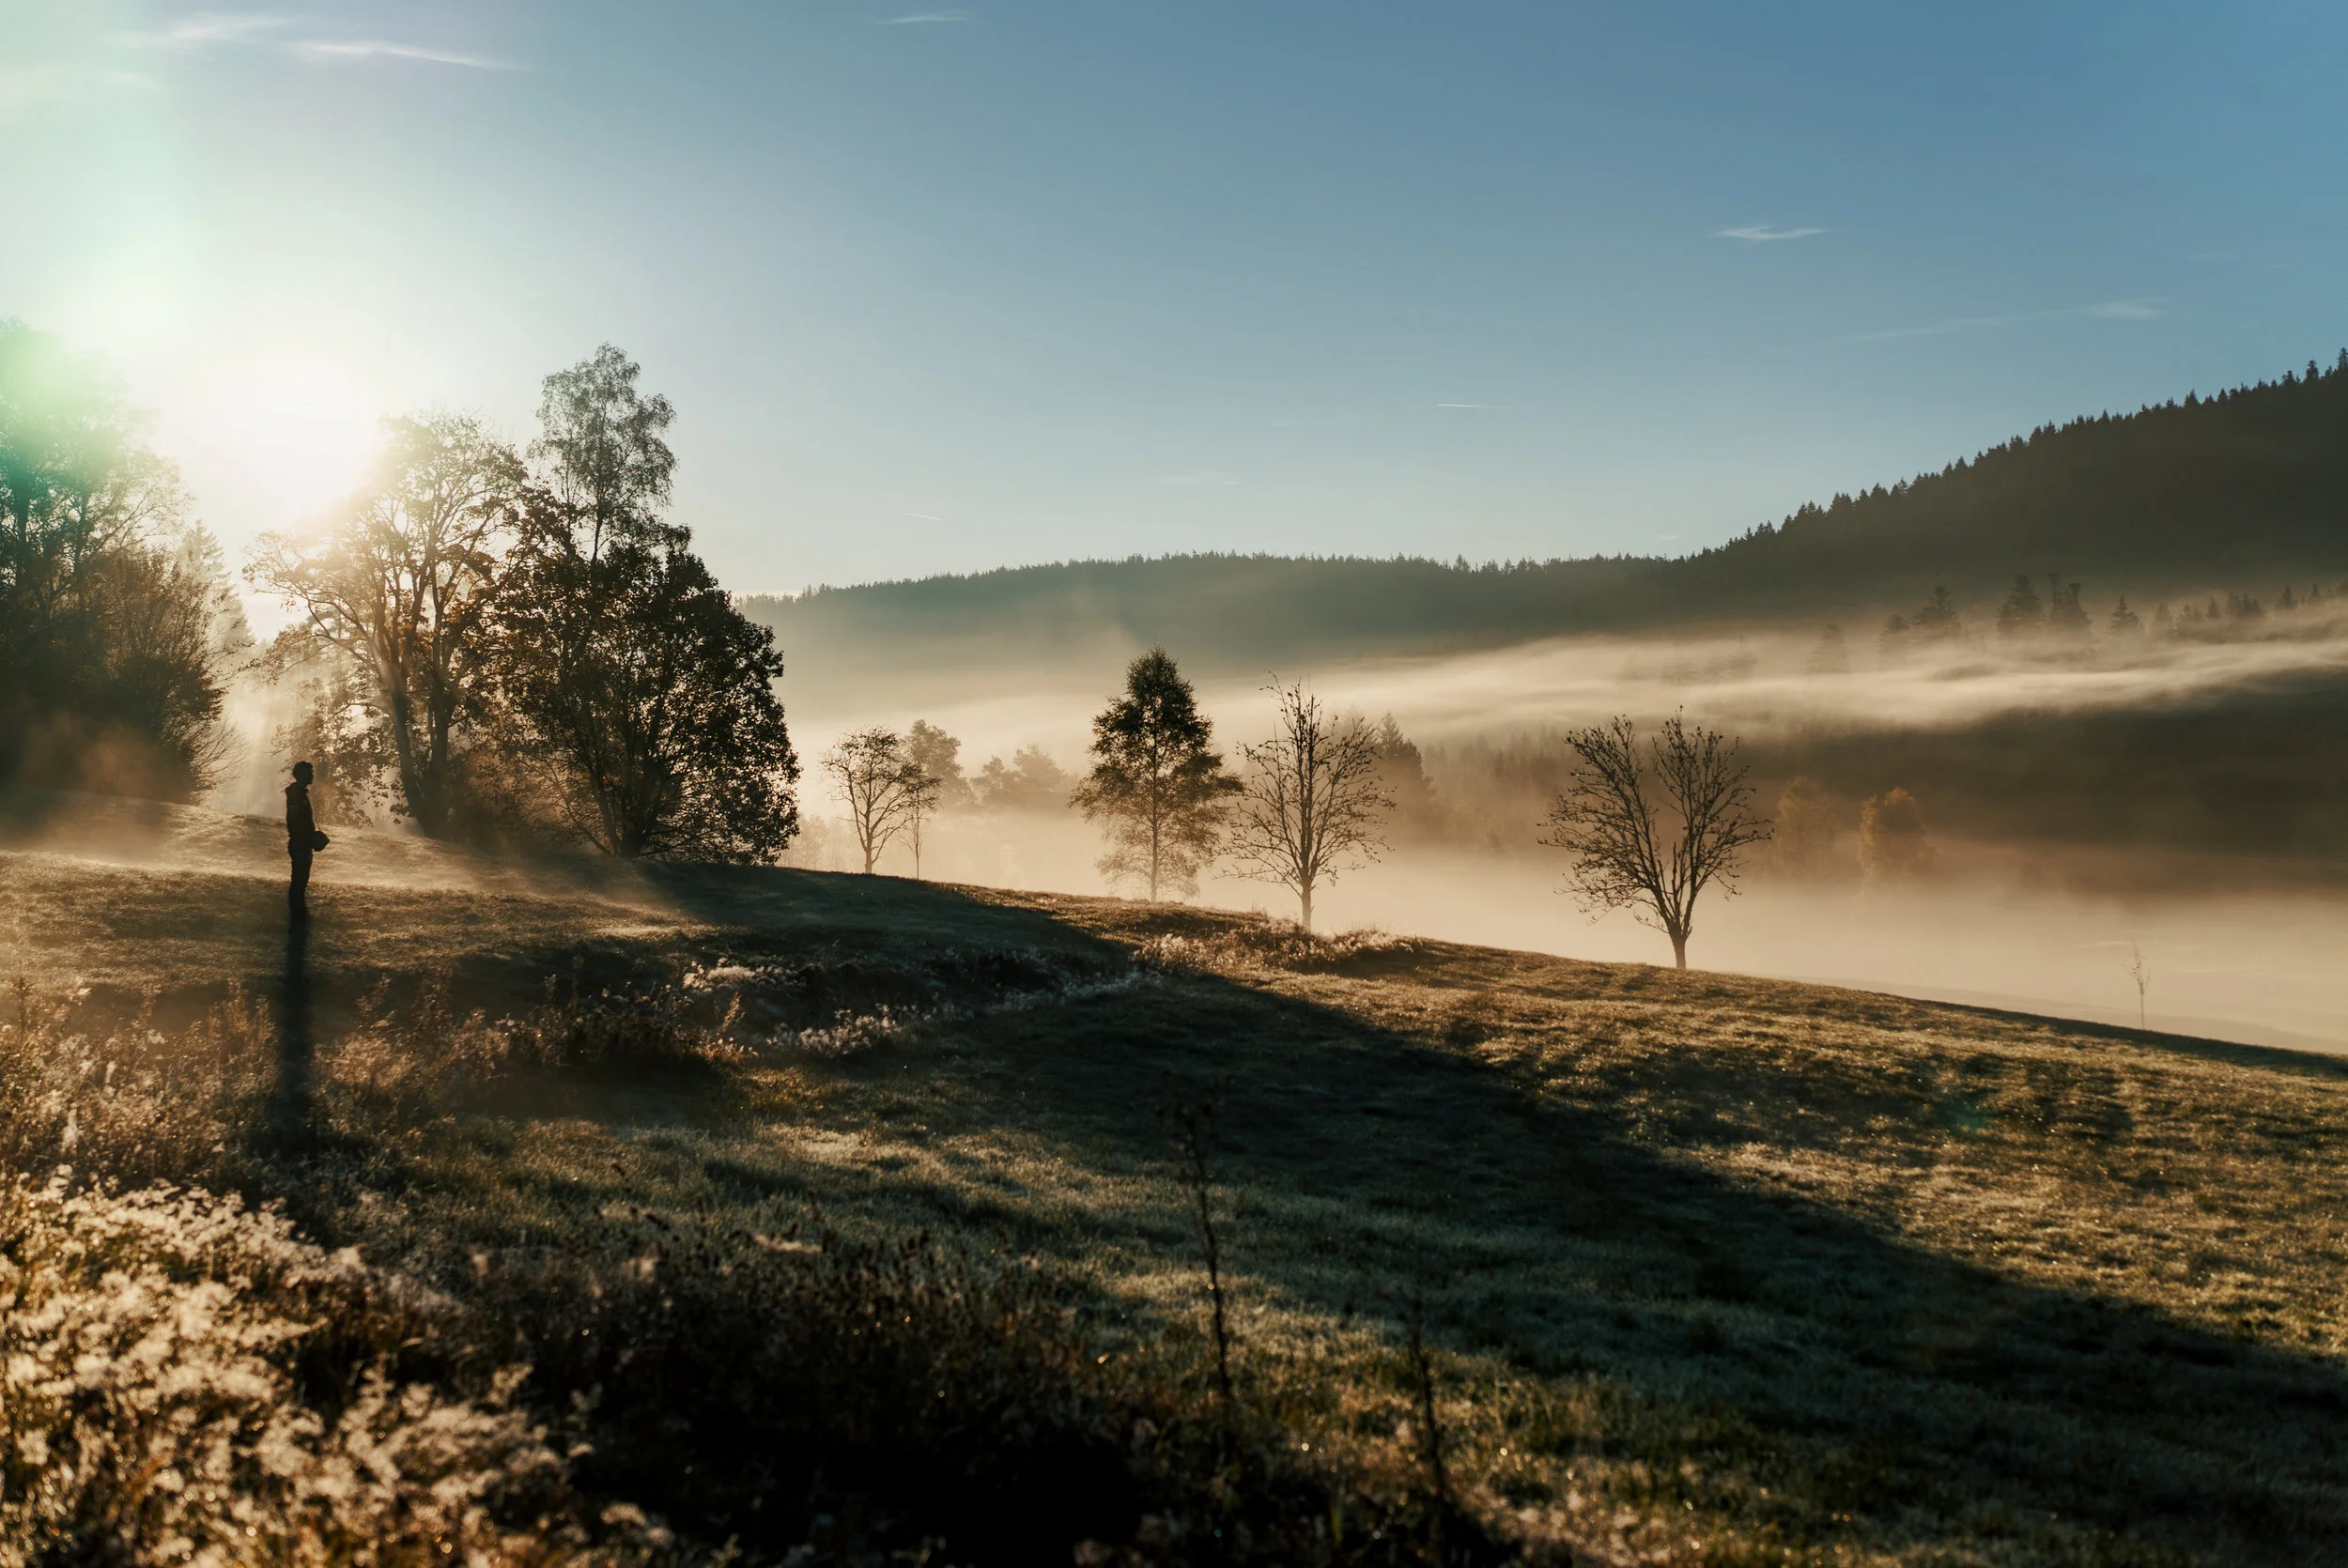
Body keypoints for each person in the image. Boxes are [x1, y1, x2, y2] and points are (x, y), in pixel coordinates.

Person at [286, 761, 317, 919]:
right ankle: (297, 912)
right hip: (299, 844)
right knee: (299, 878)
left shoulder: (300, 793)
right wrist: (307, 838)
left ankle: (299, 910)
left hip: (303, 843)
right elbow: (295, 821)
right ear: (301, 774)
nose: (312, 774)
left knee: (302, 878)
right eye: (309, 772)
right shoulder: (296, 795)